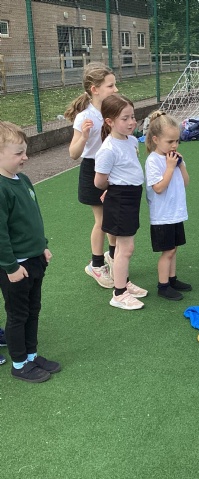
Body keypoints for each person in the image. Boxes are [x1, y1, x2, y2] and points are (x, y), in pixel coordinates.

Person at [0, 121, 61, 382]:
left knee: (33, 310)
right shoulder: (1, 188)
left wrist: (42, 246)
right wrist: (11, 267)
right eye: (18, 153)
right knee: (18, 315)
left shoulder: (22, 180)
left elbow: (32, 218)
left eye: (25, 151)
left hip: (34, 259)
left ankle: (32, 355)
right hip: (16, 267)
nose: (25, 157)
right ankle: (19, 363)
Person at [65, 62, 118, 289]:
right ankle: (96, 265)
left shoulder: (113, 109)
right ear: (95, 89)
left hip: (113, 168)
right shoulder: (84, 117)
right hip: (93, 169)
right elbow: (73, 154)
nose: (115, 89)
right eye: (110, 86)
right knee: (103, 220)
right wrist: (84, 137)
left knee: (114, 218)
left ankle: (114, 258)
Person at [94, 94, 148, 310]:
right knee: (125, 249)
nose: (131, 122)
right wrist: (113, 189)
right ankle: (119, 294)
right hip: (120, 199)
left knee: (125, 247)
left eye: (132, 117)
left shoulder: (131, 140)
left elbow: (127, 169)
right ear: (109, 121)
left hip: (131, 196)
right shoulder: (108, 149)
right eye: (125, 118)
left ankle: (123, 282)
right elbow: (99, 181)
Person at [145, 112, 192, 301]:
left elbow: (185, 182)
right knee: (168, 251)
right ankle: (163, 286)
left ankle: (172, 279)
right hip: (162, 215)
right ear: (156, 139)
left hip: (176, 213)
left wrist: (180, 166)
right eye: (170, 141)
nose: (174, 145)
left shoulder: (174, 158)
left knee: (174, 248)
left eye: (177, 141)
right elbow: (158, 188)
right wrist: (170, 167)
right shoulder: (153, 160)